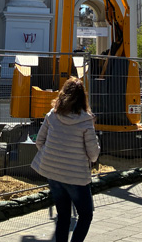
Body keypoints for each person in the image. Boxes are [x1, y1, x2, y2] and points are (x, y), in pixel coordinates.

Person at [32, 78, 100, 242]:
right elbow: (93, 154)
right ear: (83, 97)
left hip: (53, 172)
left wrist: (53, 155)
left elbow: (39, 141)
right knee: (86, 215)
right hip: (76, 175)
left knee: (63, 215)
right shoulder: (86, 120)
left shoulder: (52, 115)